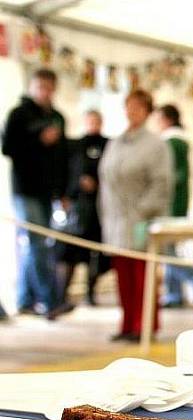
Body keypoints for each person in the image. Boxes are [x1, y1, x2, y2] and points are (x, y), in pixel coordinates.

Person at [99, 89, 172, 342]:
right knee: (124, 275)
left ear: (147, 111)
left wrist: (142, 211)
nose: (132, 112)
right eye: (129, 106)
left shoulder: (156, 145)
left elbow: (161, 183)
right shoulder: (115, 142)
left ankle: (145, 325)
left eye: (138, 107)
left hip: (141, 219)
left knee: (143, 275)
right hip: (115, 219)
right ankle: (127, 323)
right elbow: (106, 180)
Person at [1, 68, 70, 319]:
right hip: (25, 190)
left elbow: (63, 157)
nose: (44, 92)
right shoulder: (18, 115)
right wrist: (39, 139)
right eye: (40, 86)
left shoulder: (57, 118)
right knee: (37, 243)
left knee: (34, 245)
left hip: (47, 192)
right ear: (32, 86)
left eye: (49, 88)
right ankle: (49, 299)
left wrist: (63, 191)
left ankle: (25, 299)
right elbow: (8, 148)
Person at [58, 109, 109, 307]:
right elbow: (67, 171)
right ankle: (62, 296)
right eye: (90, 121)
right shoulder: (75, 146)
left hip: (99, 208)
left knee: (95, 254)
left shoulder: (108, 145)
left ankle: (91, 292)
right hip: (78, 208)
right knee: (69, 252)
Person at [155, 104, 193, 308]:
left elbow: (171, 176)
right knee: (168, 249)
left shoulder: (171, 143)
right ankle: (173, 294)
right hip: (175, 202)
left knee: (168, 251)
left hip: (170, 203)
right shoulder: (178, 141)